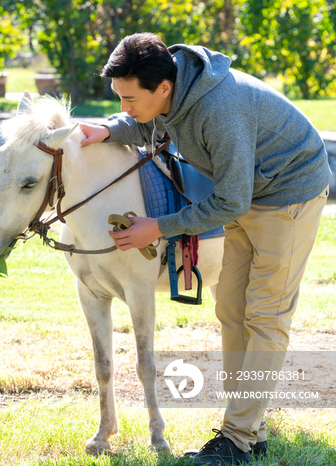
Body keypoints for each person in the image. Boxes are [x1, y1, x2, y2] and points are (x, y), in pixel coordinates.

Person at [79, 33, 331, 466]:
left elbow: (229, 202)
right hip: (249, 192)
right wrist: (107, 129)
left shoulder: (218, 109)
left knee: (266, 316)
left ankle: (236, 440)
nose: (124, 106)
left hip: (288, 194)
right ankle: (252, 428)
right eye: (118, 97)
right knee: (232, 309)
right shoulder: (174, 92)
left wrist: (157, 227)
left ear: (163, 88)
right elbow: (145, 124)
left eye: (129, 97)